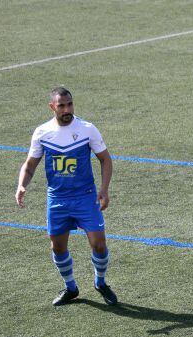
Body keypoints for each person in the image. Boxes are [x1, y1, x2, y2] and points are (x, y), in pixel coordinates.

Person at [16, 87, 117, 306]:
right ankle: (71, 288)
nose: (67, 109)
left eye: (69, 104)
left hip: (85, 196)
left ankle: (100, 282)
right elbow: (30, 164)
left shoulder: (87, 129)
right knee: (58, 247)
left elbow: (105, 159)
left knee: (98, 244)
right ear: (52, 107)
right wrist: (22, 185)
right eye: (61, 105)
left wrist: (104, 189)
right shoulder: (42, 132)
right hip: (58, 199)